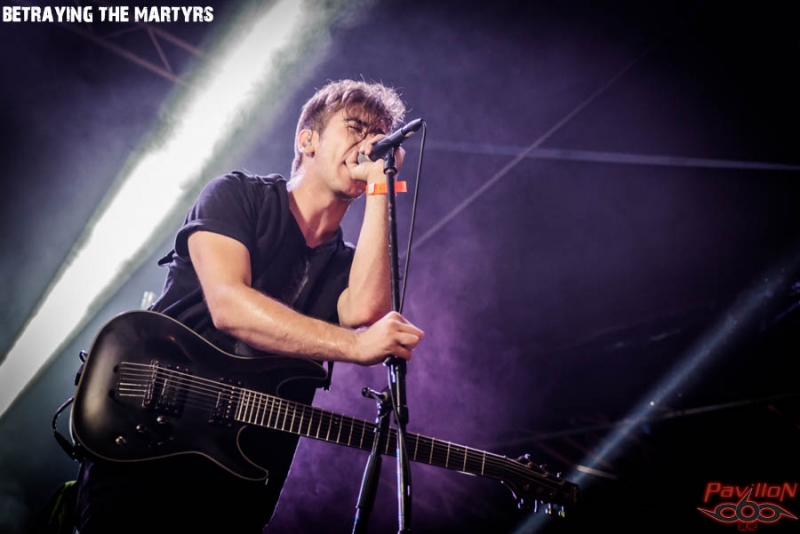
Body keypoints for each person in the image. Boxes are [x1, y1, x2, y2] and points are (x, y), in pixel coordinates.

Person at [72, 79, 425, 534]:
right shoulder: (237, 195)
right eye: (356, 128)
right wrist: (355, 347)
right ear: (307, 140)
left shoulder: (347, 264)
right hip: (150, 438)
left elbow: (366, 311)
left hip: (241, 478)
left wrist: (381, 187)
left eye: (379, 136)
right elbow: (229, 306)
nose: (369, 146)